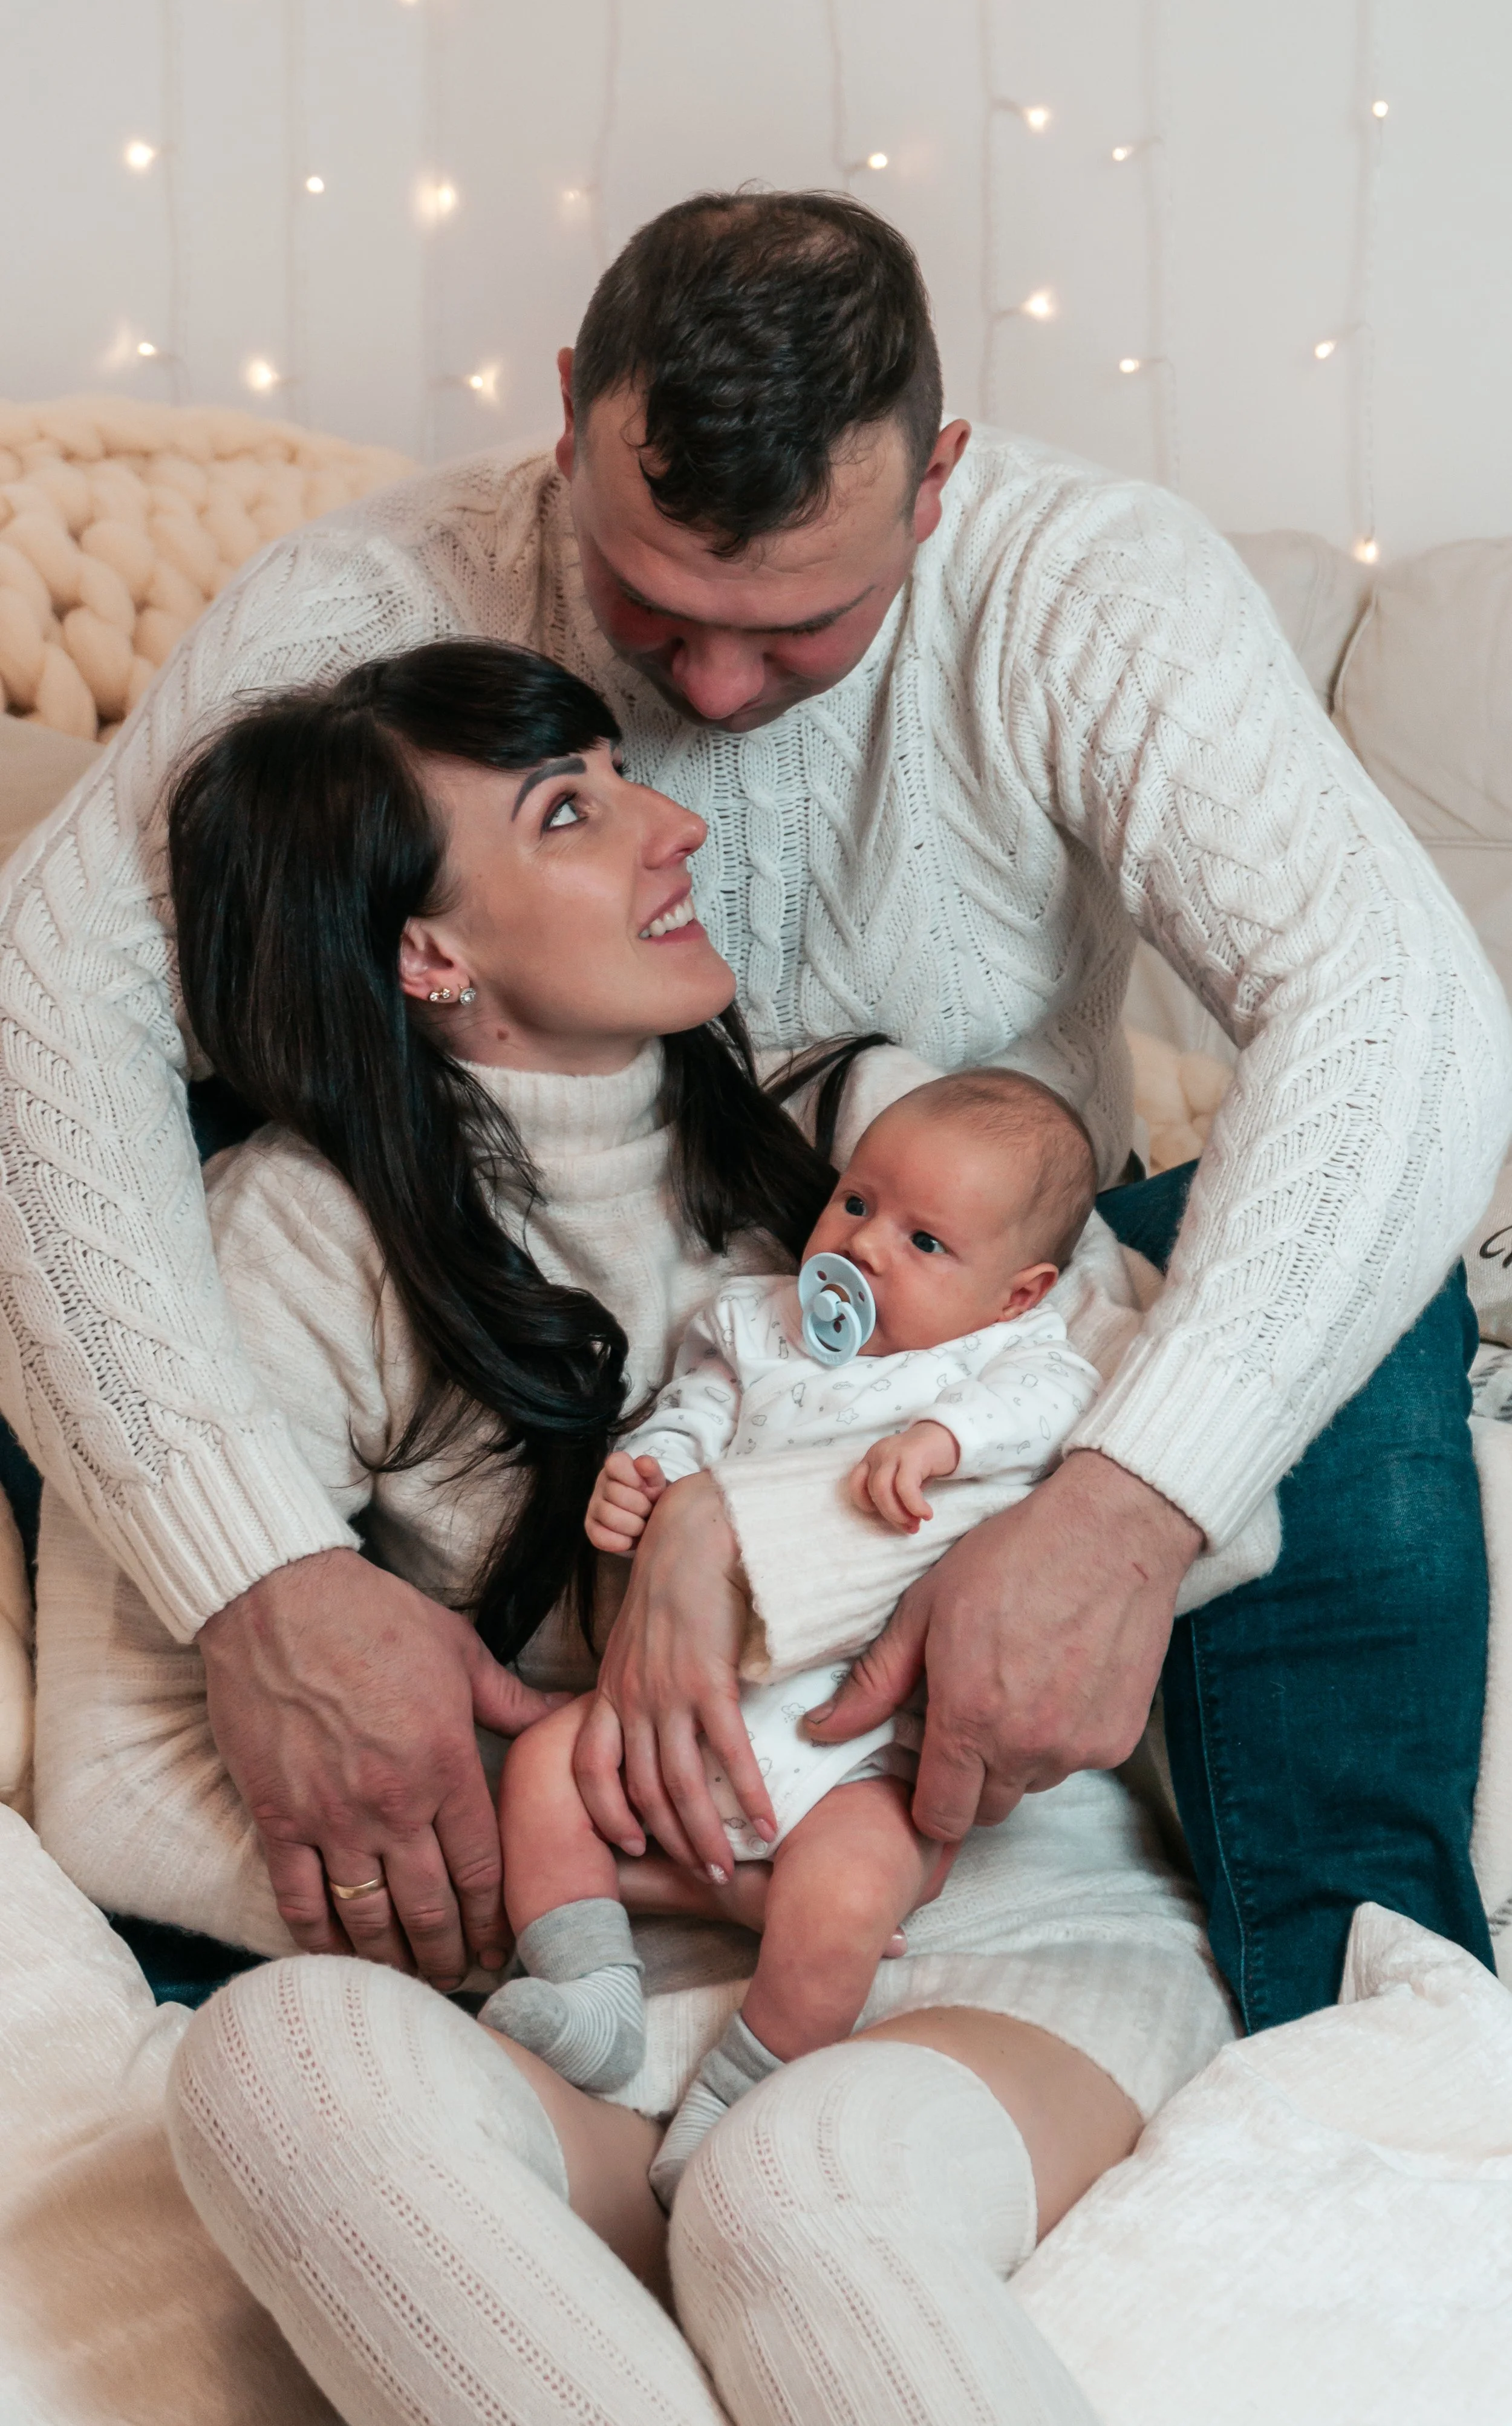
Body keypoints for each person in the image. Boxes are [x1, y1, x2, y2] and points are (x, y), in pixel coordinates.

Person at [4, 189, 1508, 2026]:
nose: (707, 708)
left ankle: (1361, 2012)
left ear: (933, 480)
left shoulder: (1089, 583)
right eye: (652, 607)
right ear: (567, 415)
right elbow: (44, 1008)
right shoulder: (377, 604)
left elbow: (1398, 1010)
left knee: (1361, 1273)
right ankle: (384, 1968)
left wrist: (1131, 1503)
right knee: (136, 1254)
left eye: (798, 626)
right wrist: (260, 1573)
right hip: (541, 1337)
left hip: (949, 1316)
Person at [64, 633, 1224, 2426]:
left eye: (623, 771)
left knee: (799, 2199)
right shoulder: (292, 1240)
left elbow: (1217, 1512)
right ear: (429, 957)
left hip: (963, 1928)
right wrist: (564, 1846)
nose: (671, 823)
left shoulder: (872, 1126)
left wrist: (724, 1544)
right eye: (571, 806)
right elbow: (120, 1765)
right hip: (588, 1978)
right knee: (272, 2064)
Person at [485, 1069, 1103, 2209]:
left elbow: (1060, 1406)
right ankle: (590, 1991)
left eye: (926, 1242)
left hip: (852, 1745)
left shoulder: (1002, 1364)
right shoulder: (759, 1323)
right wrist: (654, 1471)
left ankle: (738, 2090)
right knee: (540, 1770)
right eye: (858, 1204)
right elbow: (698, 1409)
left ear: (1018, 1295)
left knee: (848, 1896)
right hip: (696, 1700)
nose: (867, 1250)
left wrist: (946, 1438)